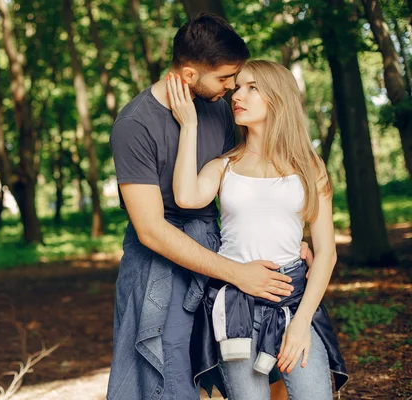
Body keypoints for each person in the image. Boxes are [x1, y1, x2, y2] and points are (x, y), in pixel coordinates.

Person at [107, 13, 313, 400]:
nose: (232, 88)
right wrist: (237, 273)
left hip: (218, 242)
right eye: (223, 79)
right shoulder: (134, 125)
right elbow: (151, 229)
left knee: (255, 363)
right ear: (188, 75)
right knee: (170, 376)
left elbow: (260, 169)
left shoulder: (221, 104)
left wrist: (291, 236)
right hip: (159, 261)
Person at [167, 60, 348, 399]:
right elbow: (185, 196)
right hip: (236, 306)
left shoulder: (309, 166)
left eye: (252, 87)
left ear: (277, 98)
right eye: (237, 88)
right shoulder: (225, 166)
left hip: (293, 301)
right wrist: (188, 126)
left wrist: (301, 324)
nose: (238, 95)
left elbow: (326, 252)